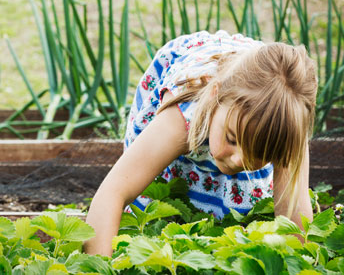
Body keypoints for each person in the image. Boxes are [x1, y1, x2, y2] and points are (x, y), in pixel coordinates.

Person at [84, 30, 317, 256]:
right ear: (215, 95)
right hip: (197, 91)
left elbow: (294, 223)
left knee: (245, 206)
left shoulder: (286, 124)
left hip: (263, 91)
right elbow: (113, 192)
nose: (239, 159)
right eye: (232, 139)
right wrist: (100, 266)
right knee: (153, 197)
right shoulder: (180, 117)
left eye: (259, 152)